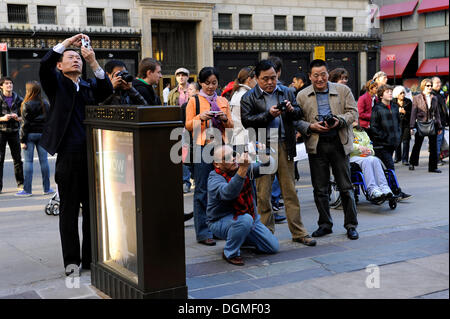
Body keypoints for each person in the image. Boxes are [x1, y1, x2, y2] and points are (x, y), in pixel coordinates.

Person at [39, 33, 113, 275]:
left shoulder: (89, 86)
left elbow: (106, 91)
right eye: (70, 58)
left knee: (92, 210)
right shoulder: (56, 84)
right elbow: (44, 64)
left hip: (92, 155)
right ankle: (71, 261)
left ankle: (90, 258)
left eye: (77, 58)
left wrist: (93, 62)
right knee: (69, 211)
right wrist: (68, 43)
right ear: (60, 65)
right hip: (68, 156)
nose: (75, 61)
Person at [241, 59, 316, 246]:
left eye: (273, 78)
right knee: (263, 194)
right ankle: (266, 234)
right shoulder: (249, 97)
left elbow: (299, 114)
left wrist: (291, 110)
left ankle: (299, 232)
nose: (270, 82)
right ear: (256, 78)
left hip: (285, 144)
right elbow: (247, 121)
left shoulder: (288, 92)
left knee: (290, 191)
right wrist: (268, 115)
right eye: (265, 79)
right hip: (263, 147)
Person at [296, 59, 359, 240]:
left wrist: (339, 120)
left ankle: (351, 225)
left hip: (339, 142)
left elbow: (353, 112)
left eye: (323, 74)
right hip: (317, 145)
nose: (320, 78)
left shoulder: (342, 90)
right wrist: (311, 127)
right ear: (310, 76)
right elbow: (296, 121)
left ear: (328, 74)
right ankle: (325, 224)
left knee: (346, 187)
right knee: (320, 189)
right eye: (315, 75)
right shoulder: (301, 95)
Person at [185, 66, 234, 246]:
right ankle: (203, 231)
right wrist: (201, 116)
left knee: (221, 188)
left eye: (214, 83)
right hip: (202, 147)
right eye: (207, 83)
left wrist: (223, 118)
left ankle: (218, 227)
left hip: (221, 147)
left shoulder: (223, 100)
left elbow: (230, 125)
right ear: (200, 83)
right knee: (202, 190)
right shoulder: (194, 101)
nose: (211, 87)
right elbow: (188, 125)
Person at [207, 145, 279, 266]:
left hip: (250, 218)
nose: (234, 158)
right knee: (245, 220)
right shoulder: (214, 178)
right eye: (227, 157)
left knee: (272, 247)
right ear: (217, 164)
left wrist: (263, 155)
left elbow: (269, 167)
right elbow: (228, 193)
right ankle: (230, 253)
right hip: (220, 221)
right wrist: (242, 170)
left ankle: (240, 236)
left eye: (234, 154)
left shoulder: (245, 168)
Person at [370, 85, 412, 200]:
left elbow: (398, 124)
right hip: (381, 144)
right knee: (390, 167)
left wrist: (397, 137)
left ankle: (386, 190)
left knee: (385, 169)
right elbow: (373, 127)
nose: (389, 93)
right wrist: (384, 136)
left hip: (393, 143)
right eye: (387, 92)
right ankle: (396, 192)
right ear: (381, 95)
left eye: (390, 91)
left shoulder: (394, 106)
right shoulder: (377, 108)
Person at [17, 81, 53, 197]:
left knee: (28, 162)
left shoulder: (26, 104)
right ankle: (47, 189)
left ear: (29, 91)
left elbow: (24, 124)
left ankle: (27, 190)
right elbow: (49, 122)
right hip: (42, 135)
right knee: (44, 162)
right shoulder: (45, 103)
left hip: (30, 135)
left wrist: (22, 140)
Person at [350, 122, 393, 200]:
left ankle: (384, 187)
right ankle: (372, 190)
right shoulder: (346, 132)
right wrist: (359, 147)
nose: (355, 120)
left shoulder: (362, 132)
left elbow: (370, 147)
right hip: (352, 157)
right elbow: (346, 145)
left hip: (365, 157)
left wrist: (370, 151)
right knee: (367, 161)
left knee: (375, 160)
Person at [409, 79, 442, 173]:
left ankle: (433, 167)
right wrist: (412, 126)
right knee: (417, 145)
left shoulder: (434, 98)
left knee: (433, 146)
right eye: (428, 85)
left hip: (432, 124)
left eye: (431, 85)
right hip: (420, 124)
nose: (430, 87)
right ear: (423, 86)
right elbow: (413, 113)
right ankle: (412, 162)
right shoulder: (417, 98)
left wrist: (439, 126)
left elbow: (437, 113)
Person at [0, 77, 24, 194]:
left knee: (18, 159)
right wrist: (2, 118)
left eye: (10, 83)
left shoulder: (18, 98)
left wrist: (17, 118)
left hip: (14, 131)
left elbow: (25, 115)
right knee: (0, 159)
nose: (9, 85)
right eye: (6, 84)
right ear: (1, 86)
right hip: (1, 132)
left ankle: (20, 184)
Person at [181, 81, 200, 194]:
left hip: (199, 135)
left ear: (197, 91)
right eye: (188, 90)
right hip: (187, 134)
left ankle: (196, 180)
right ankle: (186, 182)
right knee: (186, 159)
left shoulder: (202, 104)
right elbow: (183, 122)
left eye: (191, 89)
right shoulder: (184, 106)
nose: (188, 91)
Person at [392, 86, 412, 165]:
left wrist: (405, 112)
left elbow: (412, 114)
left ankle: (405, 159)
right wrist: (397, 111)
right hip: (396, 124)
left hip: (406, 124)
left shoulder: (408, 101)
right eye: (401, 93)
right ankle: (397, 157)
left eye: (403, 93)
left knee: (406, 141)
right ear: (397, 94)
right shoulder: (393, 102)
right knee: (397, 142)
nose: (403, 95)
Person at [431, 77, 449, 165]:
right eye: (436, 83)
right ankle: (436, 159)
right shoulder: (432, 95)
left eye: (439, 82)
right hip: (437, 122)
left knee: (440, 141)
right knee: (437, 141)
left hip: (442, 121)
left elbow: (444, 109)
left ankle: (439, 157)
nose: (439, 84)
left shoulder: (440, 94)